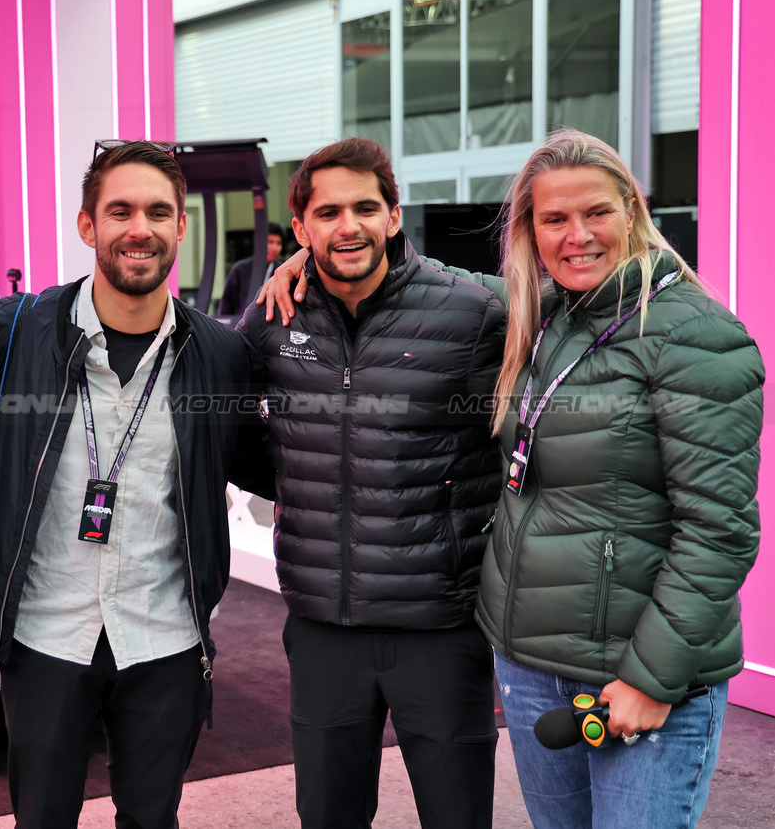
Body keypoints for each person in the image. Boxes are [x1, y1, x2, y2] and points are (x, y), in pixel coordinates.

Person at [260, 129, 764, 828]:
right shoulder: (545, 314)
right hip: (533, 662)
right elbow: (424, 290)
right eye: (553, 219)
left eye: (595, 213)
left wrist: (653, 676)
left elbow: (720, 531)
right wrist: (307, 268)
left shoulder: (697, 336)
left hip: (638, 670)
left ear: (632, 210)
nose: (575, 236)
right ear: (530, 230)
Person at [0, 139, 270, 829]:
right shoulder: (19, 331)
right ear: (86, 226)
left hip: (165, 638)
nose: (139, 229)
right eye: (119, 211)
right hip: (45, 634)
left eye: (158, 212)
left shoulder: (217, 353)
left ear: (180, 227)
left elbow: (264, 460)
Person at [238, 137, 506, 828]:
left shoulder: (474, 311)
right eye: (326, 213)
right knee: (327, 817)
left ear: (393, 215)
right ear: (301, 229)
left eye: (364, 207)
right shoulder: (272, 321)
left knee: (456, 816)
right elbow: (234, 433)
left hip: (438, 626)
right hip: (324, 623)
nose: (346, 226)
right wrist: (307, 479)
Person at [217, 221, 284, 318]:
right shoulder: (240, 270)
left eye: (278, 243)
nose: (275, 248)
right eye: (270, 242)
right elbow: (226, 307)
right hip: (242, 327)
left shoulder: (282, 271)